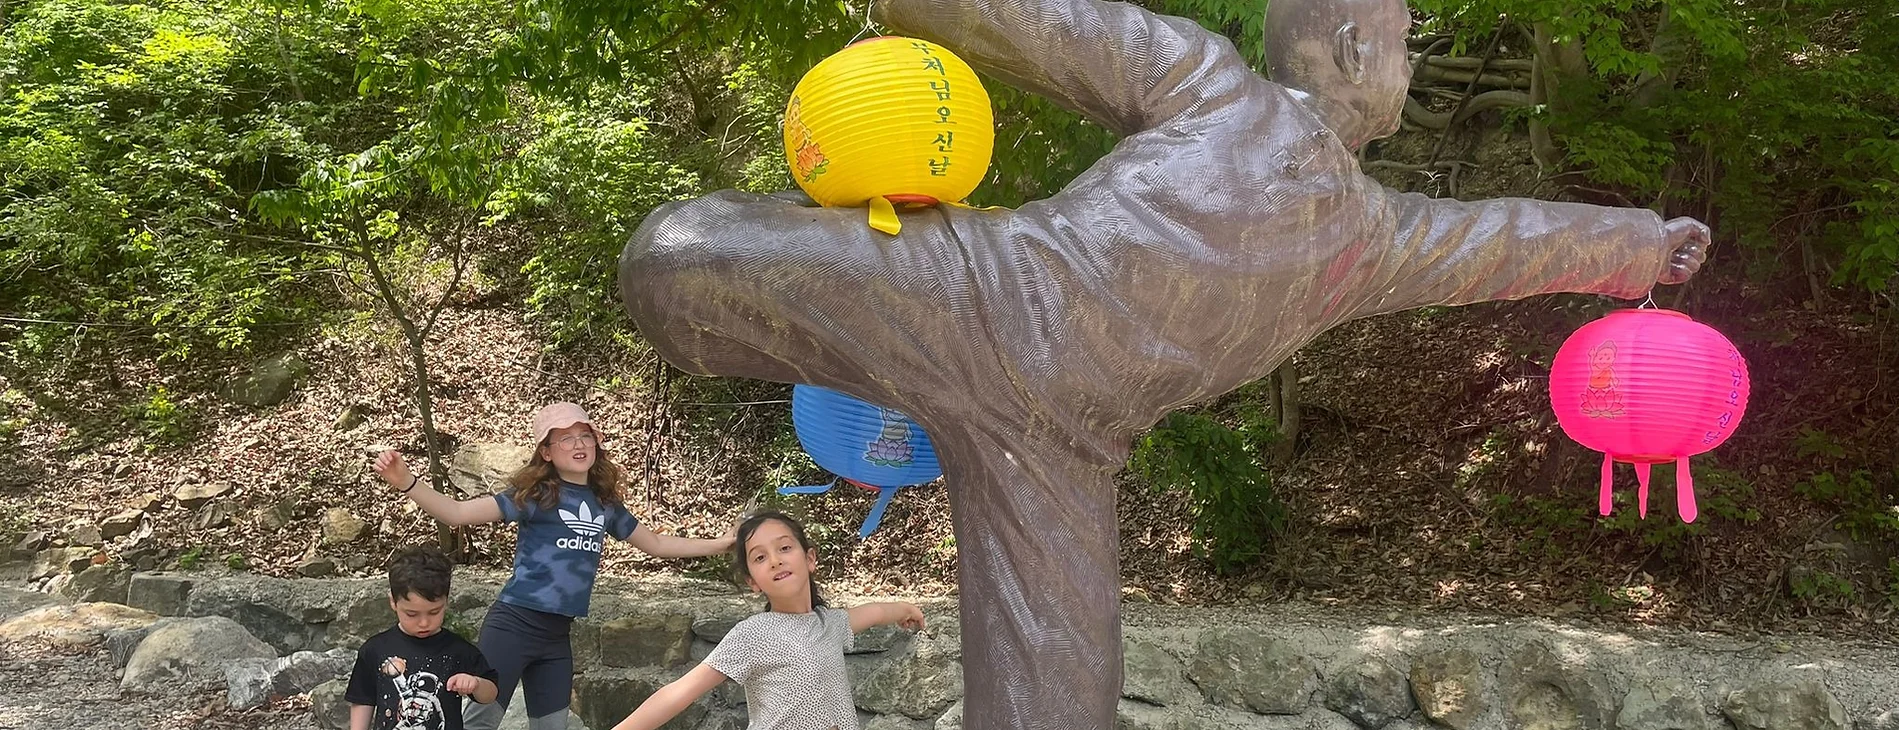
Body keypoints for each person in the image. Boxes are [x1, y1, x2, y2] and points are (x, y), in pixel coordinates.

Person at [615, 0, 1713, 726]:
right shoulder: (1210, 85)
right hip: (982, 294)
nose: (1410, 69)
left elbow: (1510, 241)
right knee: (677, 256)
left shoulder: (1376, 237)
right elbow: (1040, 22)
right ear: (1355, 51)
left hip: (1065, 444)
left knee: (1061, 702)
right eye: (1404, 44)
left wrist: (1637, 249)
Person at [372, 402, 736, 730]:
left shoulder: (605, 503)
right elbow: (458, 513)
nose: (578, 445)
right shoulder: (535, 497)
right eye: (565, 439)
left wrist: (721, 544)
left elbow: (655, 544)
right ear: (545, 452)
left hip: (556, 638)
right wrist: (407, 482)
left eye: (585, 436)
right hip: (512, 627)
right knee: (480, 724)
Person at [610, 511, 925, 730]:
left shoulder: (829, 623)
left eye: (785, 548)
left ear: (809, 558)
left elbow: (875, 612)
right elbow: (680, 691)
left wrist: (906, 608)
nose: (775, 560)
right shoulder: (753, 634)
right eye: (760, 557)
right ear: (753, 582)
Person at [345, 545, 498, 730]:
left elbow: (491, 694)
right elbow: (362, 699)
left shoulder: (459, 650)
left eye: (434, 612)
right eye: (412, 614)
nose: (424, 623)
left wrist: (475, 684)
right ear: (393, 602)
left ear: (447, 601)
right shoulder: (375, 649)